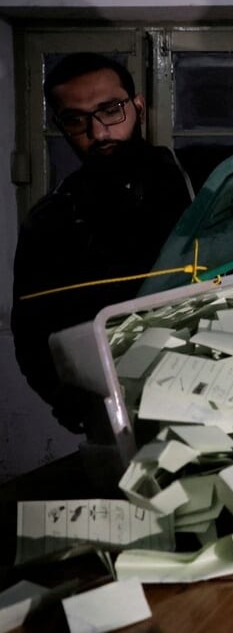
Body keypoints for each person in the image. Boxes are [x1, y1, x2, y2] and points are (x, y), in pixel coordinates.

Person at [11, 53, 194, 433]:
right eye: (76, 120)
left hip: (218, 393)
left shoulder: (196, 181)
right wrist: (71, 402)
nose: (98, 132)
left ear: (138, 106)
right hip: (116, 417)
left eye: (110, 110)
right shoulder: (50, 220)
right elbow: (31, 330)